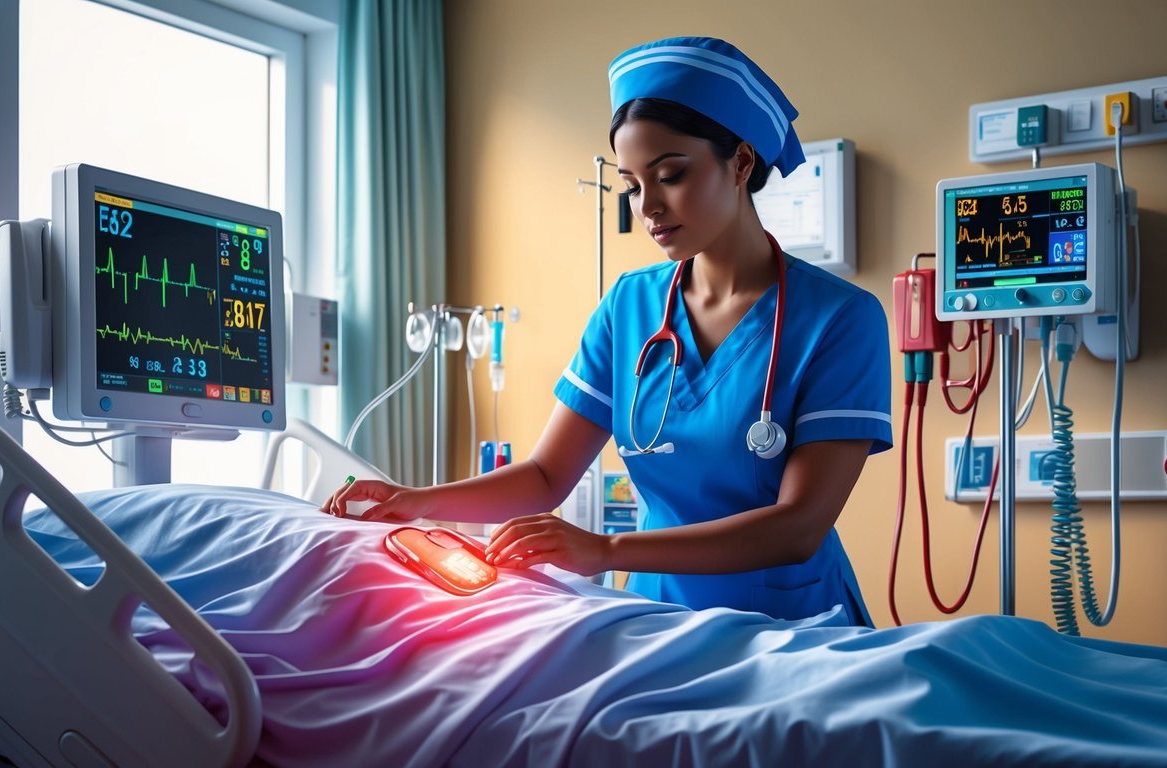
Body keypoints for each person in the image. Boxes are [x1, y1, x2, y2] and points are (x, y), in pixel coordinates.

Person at [325, 36, 892, 626]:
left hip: (792, 628)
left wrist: (605, 550)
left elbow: (798, 526)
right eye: (632, 184)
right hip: (657, 615)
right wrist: (413, 502)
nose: (647, 207)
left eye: (669, 175)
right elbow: (547, 476)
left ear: (742, 162)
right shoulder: (630, 305)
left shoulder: (841, 318)